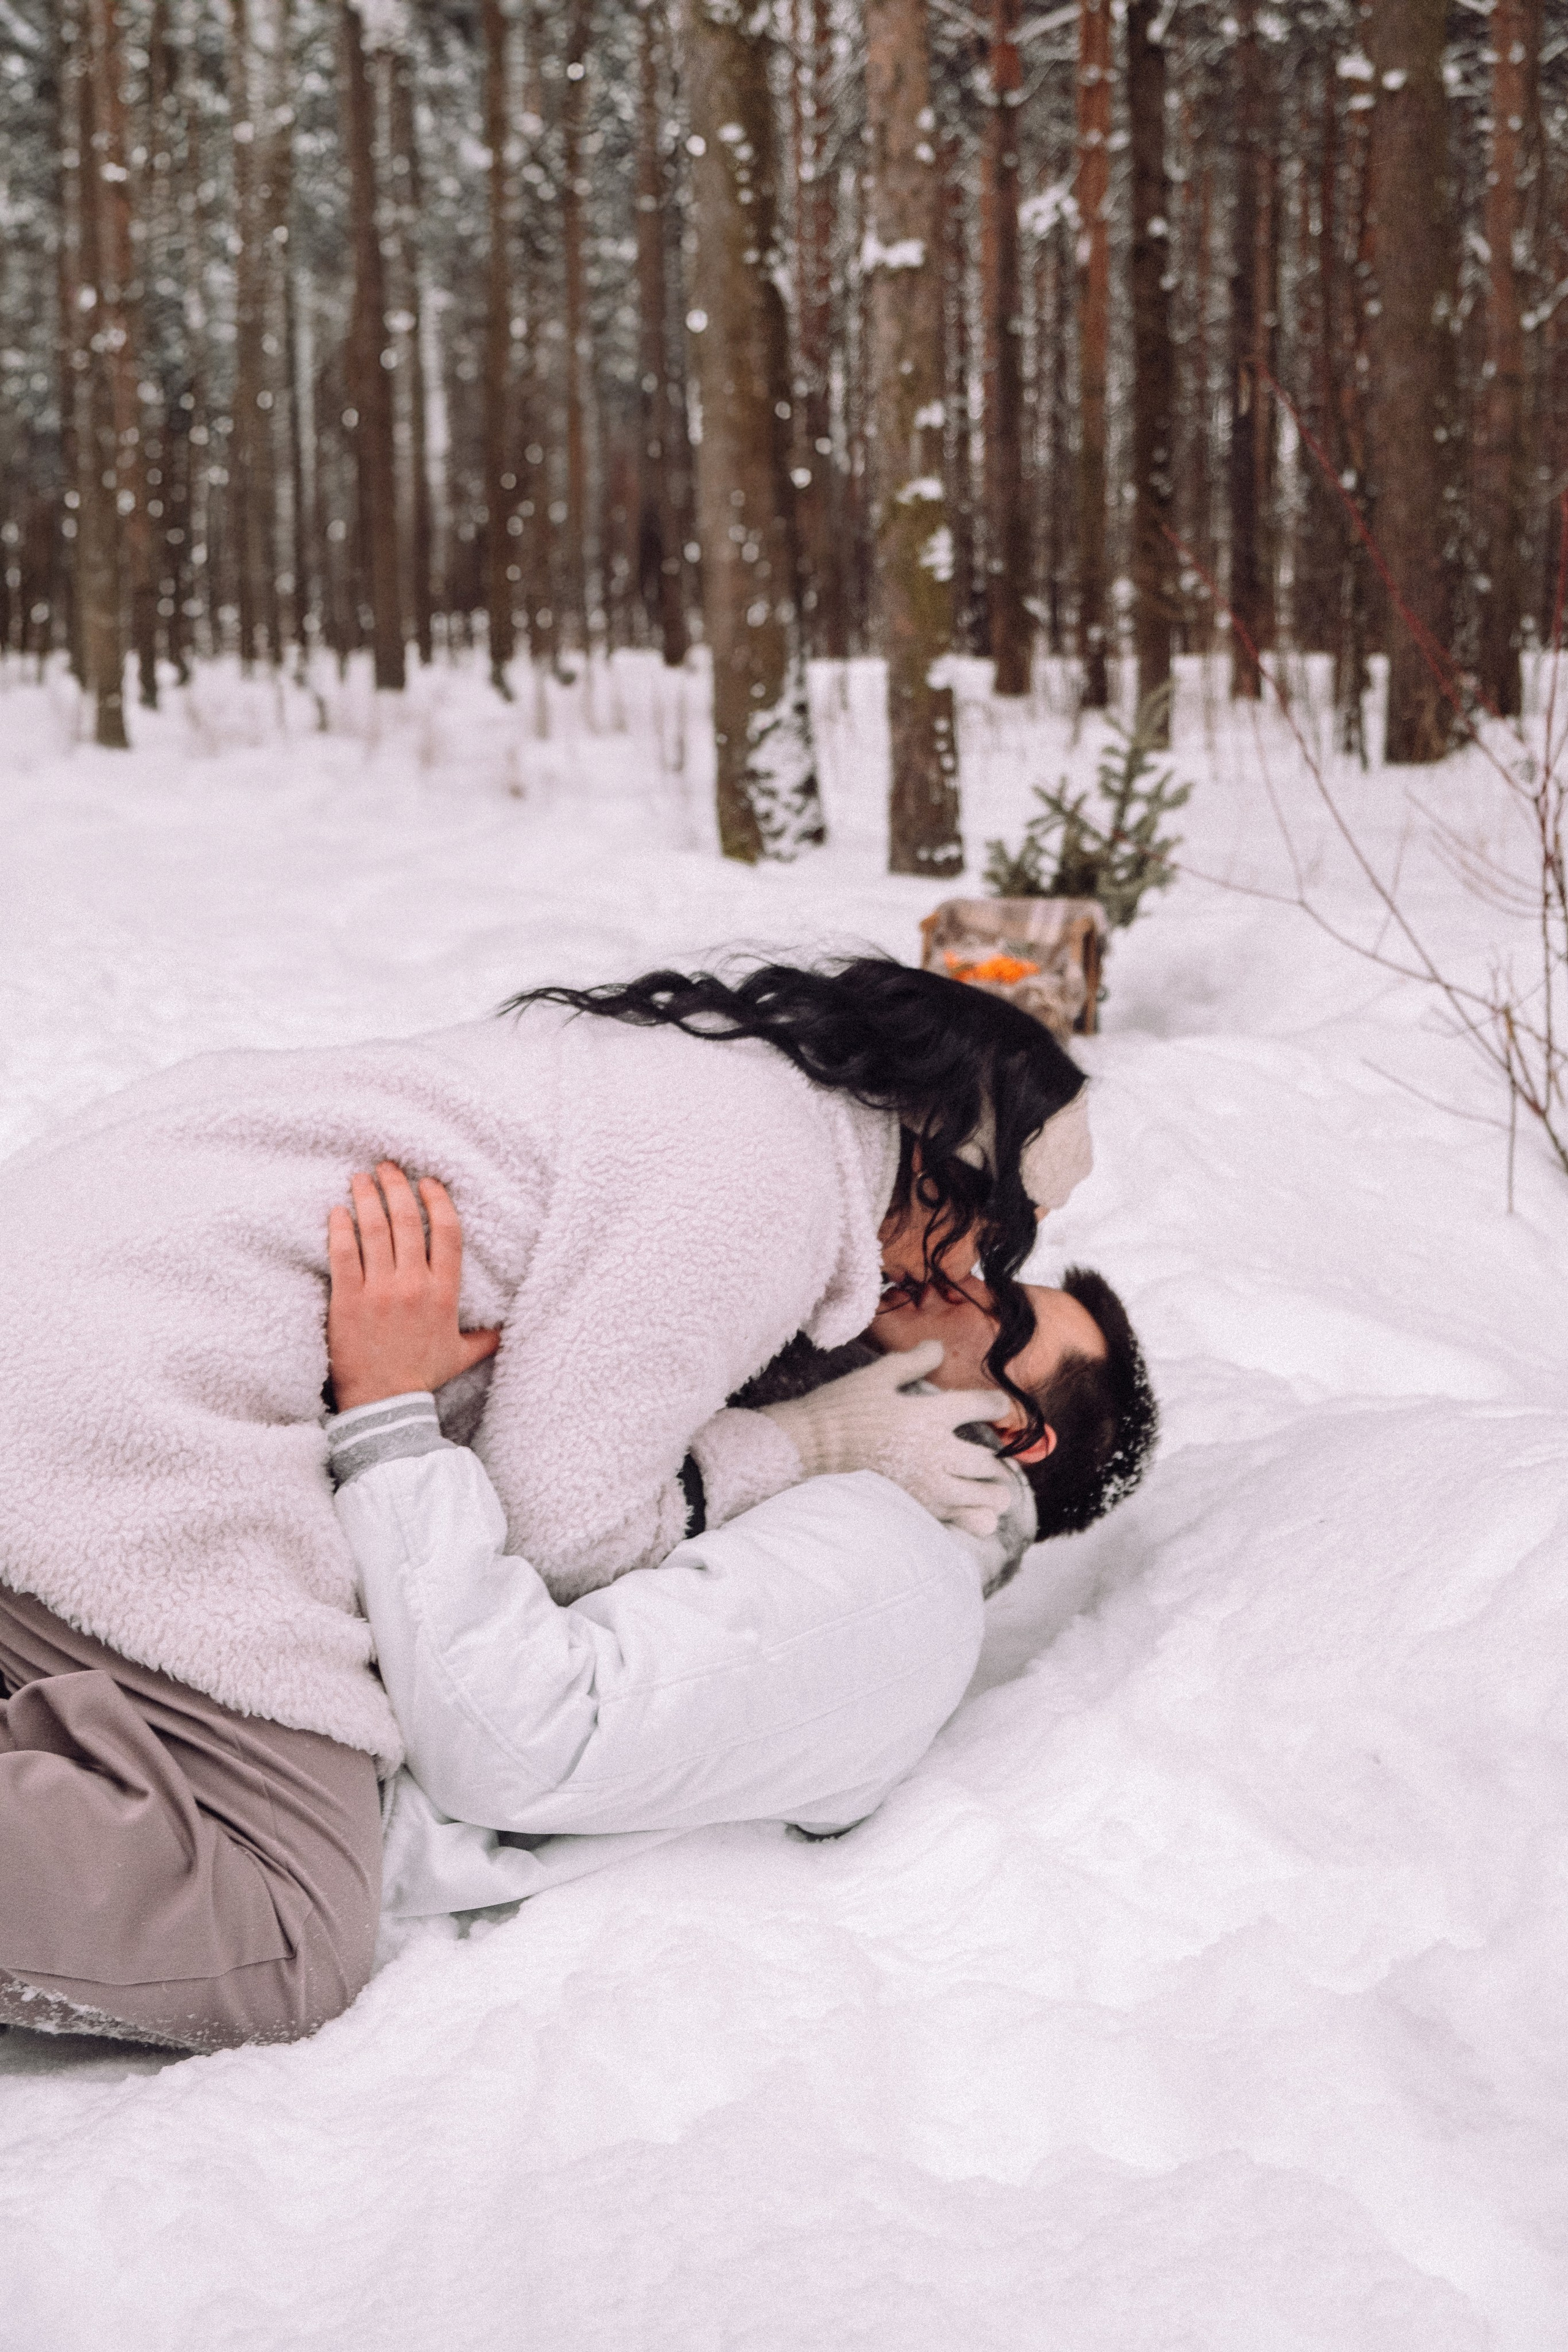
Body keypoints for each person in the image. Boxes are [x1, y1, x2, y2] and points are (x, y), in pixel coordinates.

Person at [0, 958, 1095, 2051]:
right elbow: (556, 1537)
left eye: (1000, 1293)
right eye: (1000, 1244)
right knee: (286, 1931)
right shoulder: (771, 1183)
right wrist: (805, 1446)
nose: (965, 1280)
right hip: (135, 1400)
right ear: (950, 1163)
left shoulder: (717, 1080)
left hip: (88, 1293)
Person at [324, 1169, 1156, 1899]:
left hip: (310, 1832)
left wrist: (390, 1415)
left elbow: (527, 1736)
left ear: (1016, 1431)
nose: (961, 1279)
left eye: (1001, 1312)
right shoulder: (824, 1443)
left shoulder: (898, 1572)